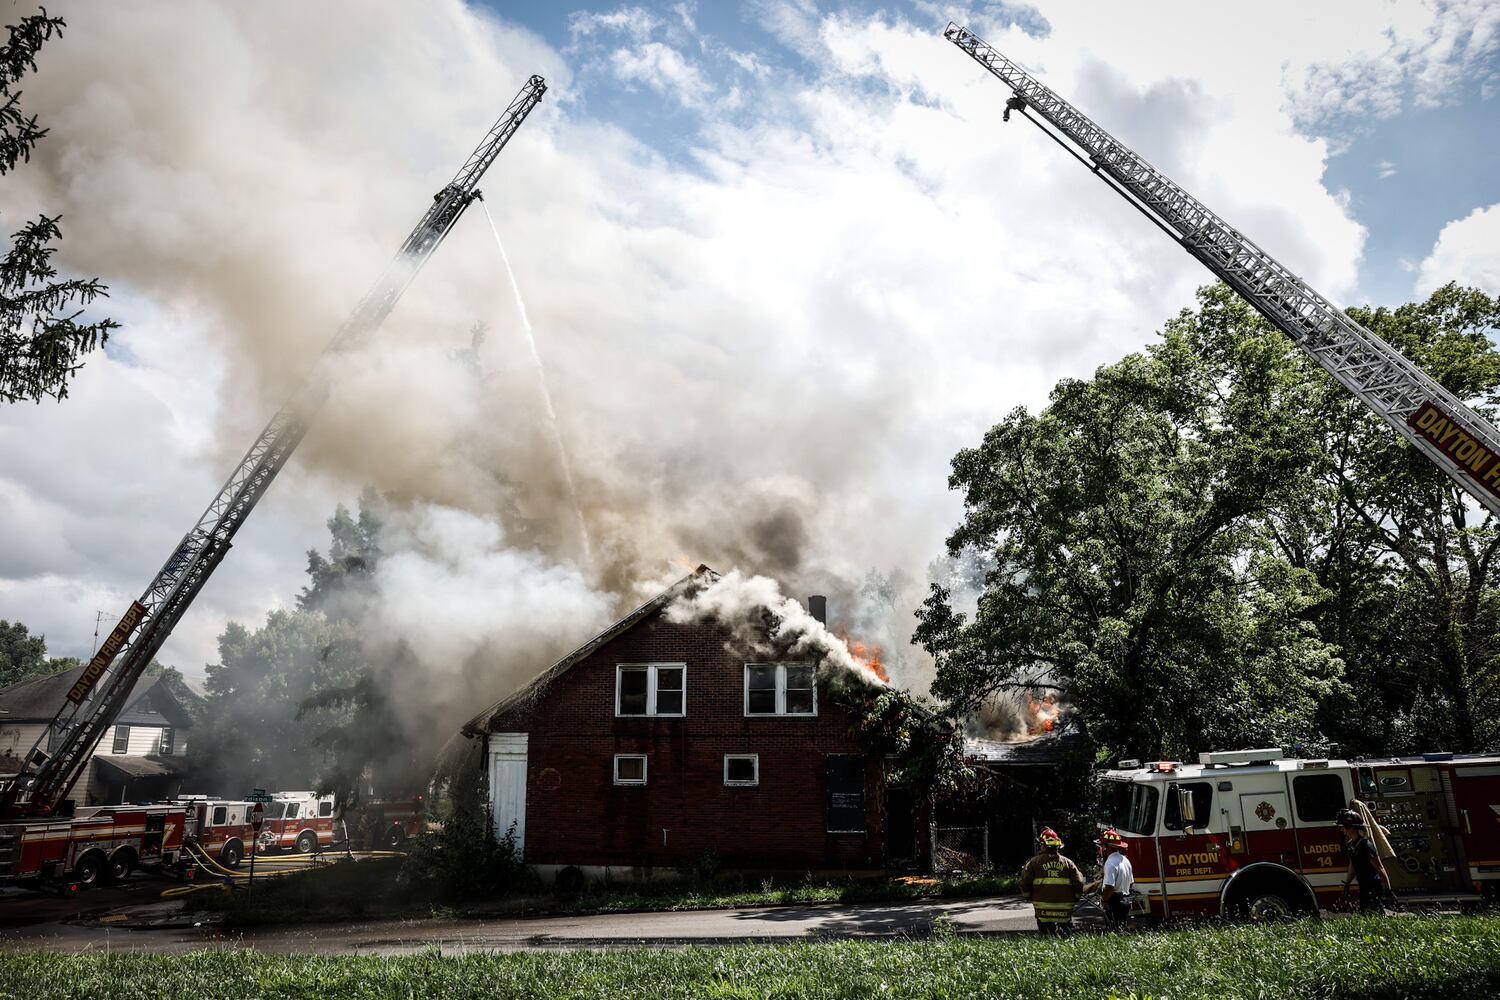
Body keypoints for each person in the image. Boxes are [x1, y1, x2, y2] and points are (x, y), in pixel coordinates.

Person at [1019, 827, 1084, 934]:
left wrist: (1027, 896)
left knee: (1046, 936)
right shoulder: (1068, 863)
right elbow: (1079, 882)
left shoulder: (1033, 863)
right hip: (1065, 910)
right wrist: (1076, 897)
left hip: (1042, 911)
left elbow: (1025, 881)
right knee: (1067, 937)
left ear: (1043, 846)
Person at [1338, 809, 1389, 913]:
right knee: (1365, 913)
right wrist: (1347, 883)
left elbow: (1379, 867)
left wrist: (1389, 890)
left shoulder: (1366, 845)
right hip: (1363, 885)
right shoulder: (1351, 845)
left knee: (1375, 914)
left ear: (1350, 827)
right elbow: (1353, 864)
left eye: (1343, 826)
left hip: (1373, 885)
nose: (1341, 829)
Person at [1096, 827, 1134, 926]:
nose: (1101, 849)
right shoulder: (1125, 860)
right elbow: (1131, 882)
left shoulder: (1110, 863)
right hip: (1126, 900)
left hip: (1114, 901)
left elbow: (1109, 886)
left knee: (1113, 930)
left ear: (1106, 847)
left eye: (1102, 846)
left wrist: (1104, 900)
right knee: (1122, 930)